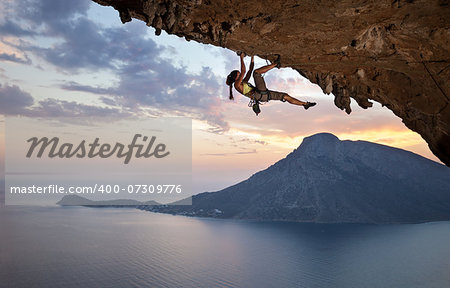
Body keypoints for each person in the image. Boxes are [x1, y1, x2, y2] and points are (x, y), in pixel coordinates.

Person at [226, 52, 316, 115]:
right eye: (238, 75)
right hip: (259, 93)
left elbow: (249, 69)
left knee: (285, 96)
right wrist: (241, 57)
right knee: (256, 73)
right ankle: (275, 64)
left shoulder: (243, 83)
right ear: (235, 78)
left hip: (263, 96)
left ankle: (304, 104)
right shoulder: (237, 85)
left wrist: (252, 56)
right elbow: (244, 71)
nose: (240, 76)